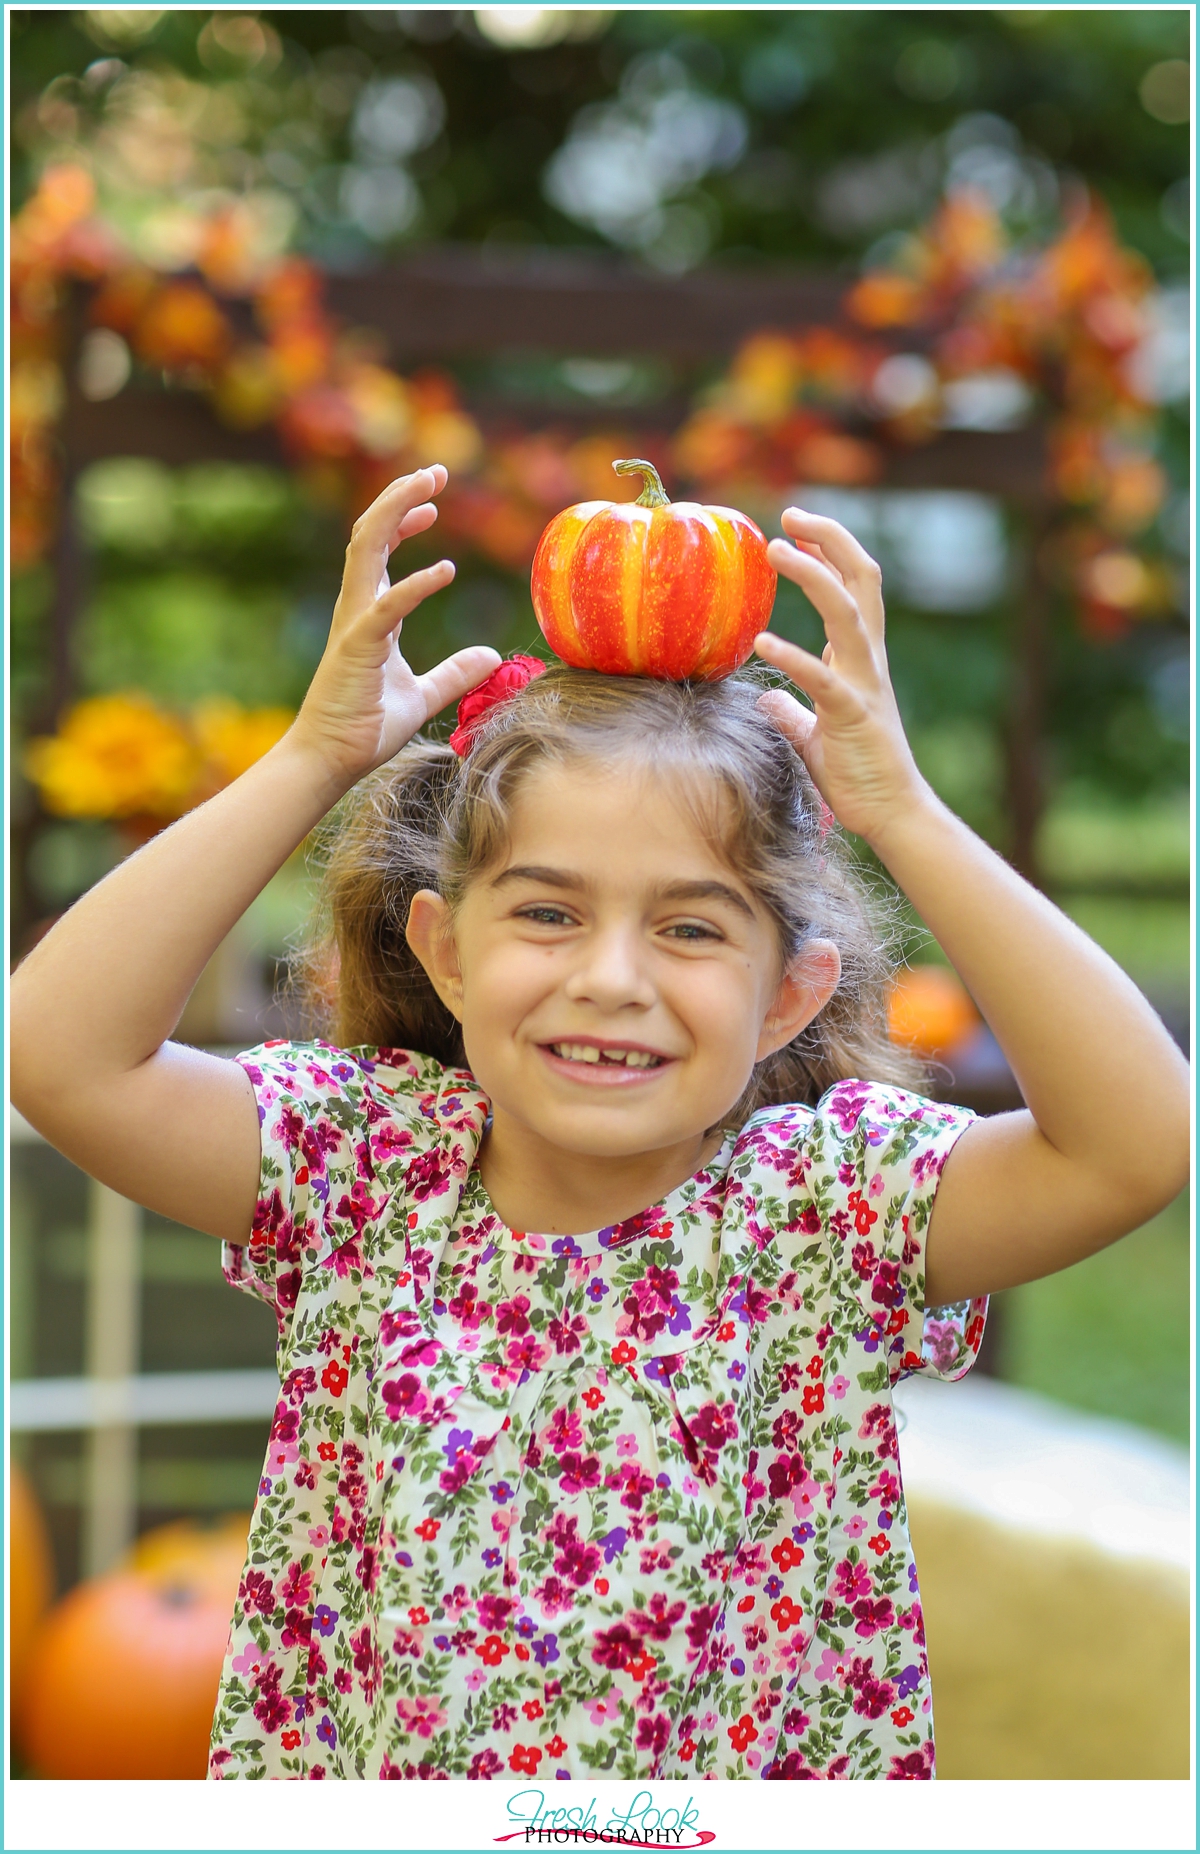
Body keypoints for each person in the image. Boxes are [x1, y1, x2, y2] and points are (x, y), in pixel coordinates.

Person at [11, 467, 1188, 1783]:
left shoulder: (827, 1206)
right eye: (550, 912)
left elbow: (1137, 1141)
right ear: (447, 955)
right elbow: (57, 1054)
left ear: (789, 991)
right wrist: (309, 761)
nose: (612, 976)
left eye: (689, 926)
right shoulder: (366, 1171)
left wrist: (905, 814)